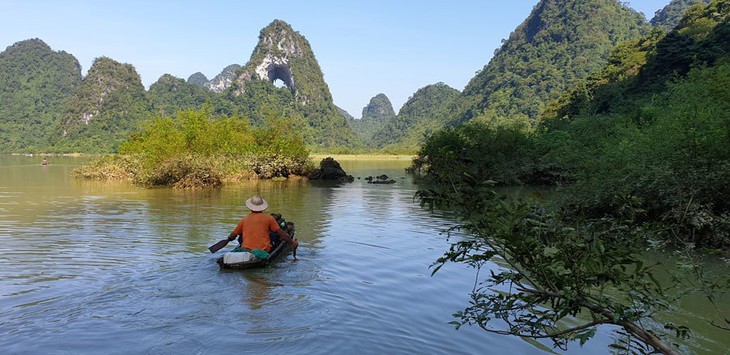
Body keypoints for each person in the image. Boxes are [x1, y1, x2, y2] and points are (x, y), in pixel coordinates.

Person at [227, 194, 298, 253]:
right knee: (274, 234)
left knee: (241, 236)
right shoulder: (269, 218)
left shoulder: (243, 220)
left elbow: (232, 235)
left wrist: (230, 238)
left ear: (250, 208)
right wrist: (292, 243)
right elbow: (281, 233)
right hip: (264, 250)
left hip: (246, 249)